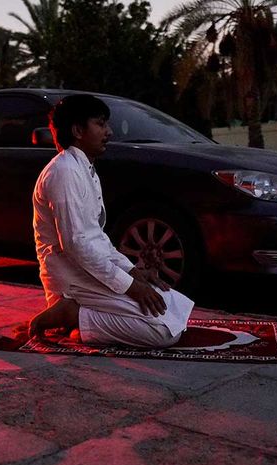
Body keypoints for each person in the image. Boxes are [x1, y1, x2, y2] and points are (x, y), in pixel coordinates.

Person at [29, 94, 194, 348]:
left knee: (170, 305)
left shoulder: (83, 168)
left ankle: (82, 313)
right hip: (71, 278)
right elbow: (76, 245)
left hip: (88, 269)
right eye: (101, 124)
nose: (109, 131)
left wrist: (132, 272)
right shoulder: (63, 172)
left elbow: (97, 237)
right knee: (163, 332)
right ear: (77, 130)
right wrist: (129, 286)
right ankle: (72, 314)